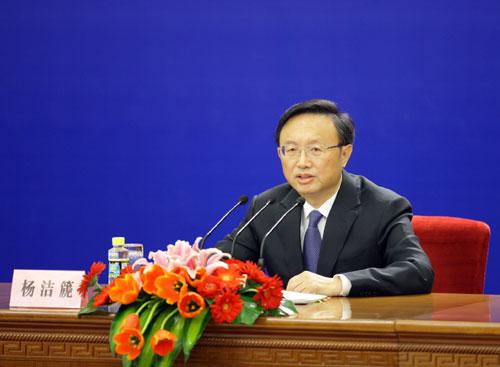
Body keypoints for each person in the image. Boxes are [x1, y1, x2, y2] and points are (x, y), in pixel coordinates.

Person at [216, 99, 434, 296]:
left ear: (345, 154)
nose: (302, 162)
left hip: (357, 331)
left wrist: (339, 284)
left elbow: (417, 271)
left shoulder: (383, 206)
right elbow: (224, 262)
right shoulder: (267, 206)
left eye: (315, 149)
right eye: (291, 149)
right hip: (288, 333)